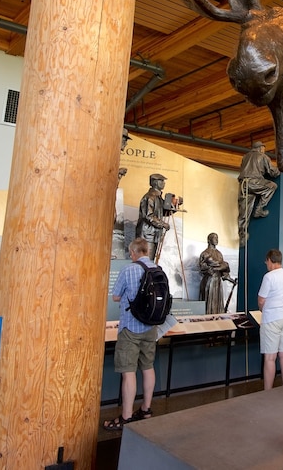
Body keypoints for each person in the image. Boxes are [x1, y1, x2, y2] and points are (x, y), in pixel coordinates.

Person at [104, 238, 159, 430]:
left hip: (130, 328)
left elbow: (116, 296)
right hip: (151, 327)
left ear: (134, 252)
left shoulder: (129, 269)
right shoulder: (157, 269)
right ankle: (146, 409)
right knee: (148, 367)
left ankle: (126, 417)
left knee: (129, 373)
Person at [258, 248, 283, 390]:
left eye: (267, 262)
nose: (267, 265)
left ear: (271, 261)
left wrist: (262, 309)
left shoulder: (269, 277)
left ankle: (268, 392)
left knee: (270, 357)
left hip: (272, 319)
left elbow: (261, 300)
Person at [237, 141, 280, 244]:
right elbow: (272, 171)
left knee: (244, 212)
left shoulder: (245, 157)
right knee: (272, 186)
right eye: (263, 148)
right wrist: (280, 170)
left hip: (243, 185)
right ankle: (259, 209)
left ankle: (242, 235)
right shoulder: (263, 156)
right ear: (261, 148)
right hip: (254, 182)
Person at [199, 233, 235, 314]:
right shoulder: (205, 253)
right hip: (209, 281)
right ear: (209, 240)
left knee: (217, 304)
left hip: (217, 281)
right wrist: (211, 269)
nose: (216, 239)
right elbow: (202, 267)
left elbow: (224, 270)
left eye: (217, 238)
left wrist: (230, 279)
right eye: (214, 238)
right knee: (208, 305)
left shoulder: (219, 253)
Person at [138, 173, 171, 257]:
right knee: (146, 262)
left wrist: (176, 206)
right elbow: (149, 216)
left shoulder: (158, 198)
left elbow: (164, 212)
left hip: (154, 235)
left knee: (150, 262)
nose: (164, 183)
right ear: (155, 182)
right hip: (147, 236)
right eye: (162, 181)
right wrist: (163, 224)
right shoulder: (149, 197)